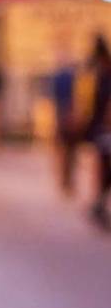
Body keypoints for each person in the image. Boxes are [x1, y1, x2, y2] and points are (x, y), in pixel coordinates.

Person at [85, 36, 111, 230]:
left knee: (105, 167)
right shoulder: (102, 75)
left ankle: (99, 203)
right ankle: (99, 203)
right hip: (103, 129)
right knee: (104, 167)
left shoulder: (106, 76)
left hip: (106, 129)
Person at [51, 45, 80, 197]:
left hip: (64, 115)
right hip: (68, 115)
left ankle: (65, 180)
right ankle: (67, 180)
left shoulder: (62, 77)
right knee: (69, 150)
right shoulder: (71, 76)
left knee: (66, 150)